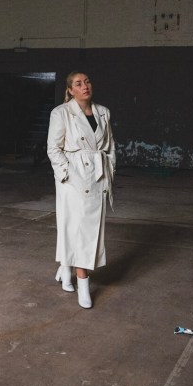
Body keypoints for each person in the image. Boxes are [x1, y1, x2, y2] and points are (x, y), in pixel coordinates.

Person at [46, 71, 116, 309]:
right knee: (78, 228)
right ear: (70, 90)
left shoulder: (103, 112)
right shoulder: (61, 113)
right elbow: (53, 148)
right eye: (78, 83)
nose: (85, 86)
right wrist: (66, 174)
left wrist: (110, 172)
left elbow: (110, 147)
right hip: (74, 178)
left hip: (97, 175)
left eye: (87, 81)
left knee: (86, 228)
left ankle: (66, 269)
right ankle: (83, 283)